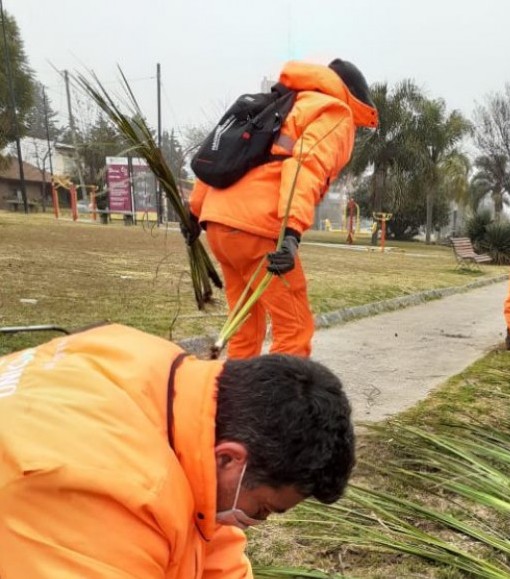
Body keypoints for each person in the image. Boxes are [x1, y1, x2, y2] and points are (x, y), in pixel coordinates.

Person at [0, 323, 355, 578]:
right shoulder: (105, 495)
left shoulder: (174, 383)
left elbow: (207, 534)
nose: (254, 523)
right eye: (261, 509)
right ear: (230, 458)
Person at [188, 59, 379, 359]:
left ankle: (232, 401)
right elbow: (306, 166)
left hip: (218, 224)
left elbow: (222, 152)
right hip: (259, 230)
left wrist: (195, 210)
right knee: (294, 331)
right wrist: (291, 233)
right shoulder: (333, 112)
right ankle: (279, 405)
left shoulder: (279, 102)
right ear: (353, 97)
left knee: (245, 331)